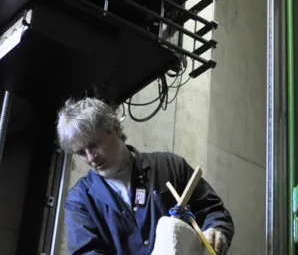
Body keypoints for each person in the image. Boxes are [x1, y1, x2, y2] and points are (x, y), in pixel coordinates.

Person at [57, 98, 234, 255]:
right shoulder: (79, 201)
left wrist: (215, 229)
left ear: (115, 128)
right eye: (81, 152)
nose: (90, 158)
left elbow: (213, 210)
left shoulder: (171, 166)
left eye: (94, 145)